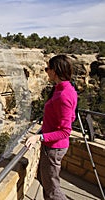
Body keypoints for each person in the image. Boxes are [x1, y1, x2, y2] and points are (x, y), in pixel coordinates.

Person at [25, 54, 78, 200]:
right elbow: (72, 116)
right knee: (45, 180)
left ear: (55, 71)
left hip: (54, 148)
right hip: (52, 145)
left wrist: (39, 136)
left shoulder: (63, 95)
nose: (46, 71)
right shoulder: (66, 89)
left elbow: (65, 131)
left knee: (52, 191)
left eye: (47, 68)